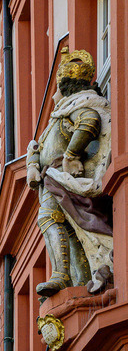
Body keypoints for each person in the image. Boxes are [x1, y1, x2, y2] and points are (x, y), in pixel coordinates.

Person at [26, 48, 113, 297]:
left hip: (61, 177)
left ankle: (61, 276)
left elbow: (89, 122)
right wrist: (32, 164)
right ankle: (78, 280)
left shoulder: (78, 104)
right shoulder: (60, 113)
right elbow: (38, 146)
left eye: (57, 88)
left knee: (49, 219)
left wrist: (71, 154)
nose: (53, 95)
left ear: (64, 89)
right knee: (72, 231)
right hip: (50, 179)